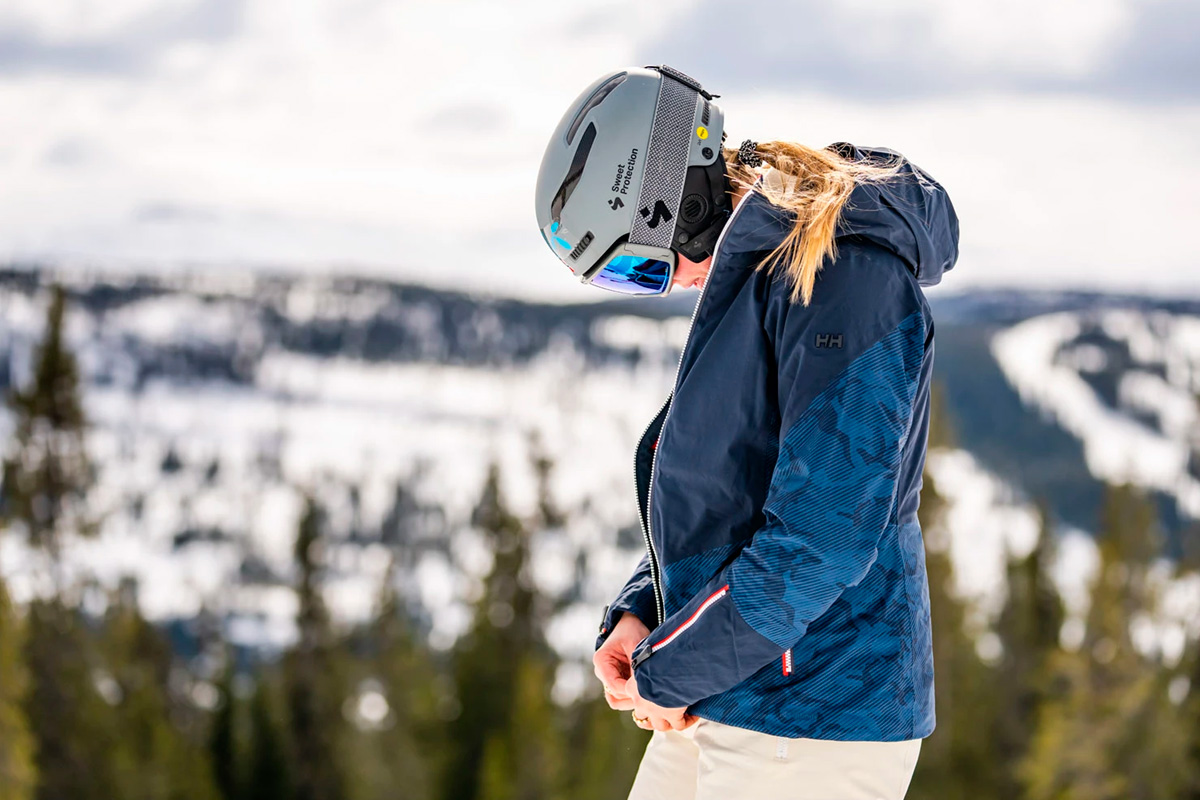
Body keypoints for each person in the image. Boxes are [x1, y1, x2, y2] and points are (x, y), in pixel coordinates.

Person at [534, 65, 959, 800]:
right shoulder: (765, 271)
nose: (660, 286)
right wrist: (645, 610)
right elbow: (738, 489)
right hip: (741, 691)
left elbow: (823, 535)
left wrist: (673, 671)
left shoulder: (841, 274)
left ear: (677, 201)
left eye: (639, 266)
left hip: (815, 716)